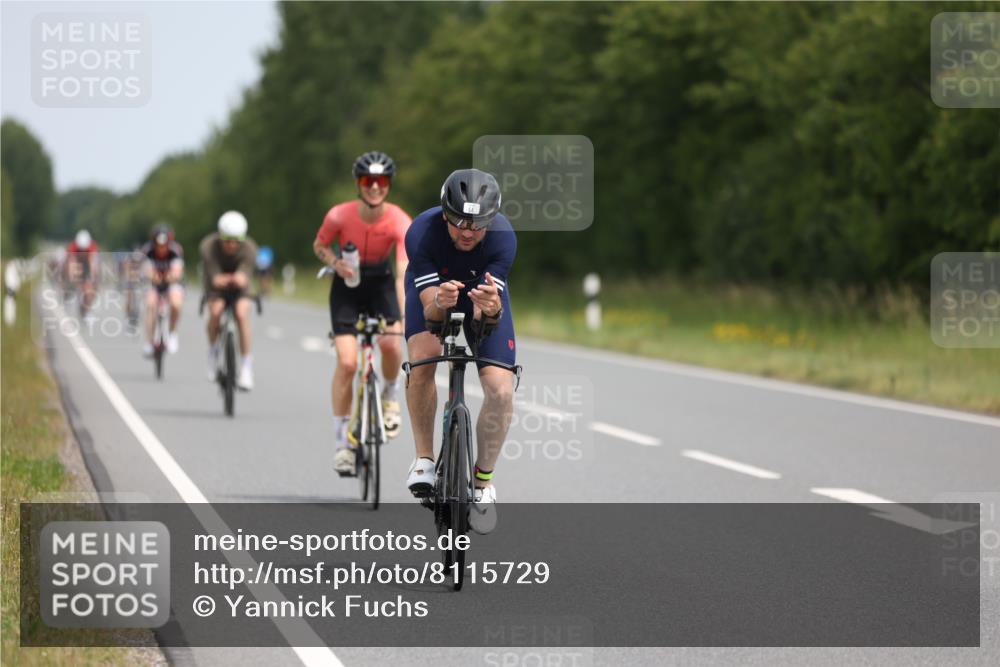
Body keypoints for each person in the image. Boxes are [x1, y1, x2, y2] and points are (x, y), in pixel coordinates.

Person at [402, 169, 516, 534]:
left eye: (477, 224)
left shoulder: (503, 238)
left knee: (500, 389)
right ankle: (423, 459)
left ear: (491, 220)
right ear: (444, 213)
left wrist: (491, 308)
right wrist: (440, 301)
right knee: (422, 360)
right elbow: (429, 310)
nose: (467, 231)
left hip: (483, 299)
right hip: (434, 294)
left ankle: (483, 483)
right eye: (457, 222)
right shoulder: (421, 233)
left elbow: (489, 317)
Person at [314, 151, 411, 476]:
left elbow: (401, 272)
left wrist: (405, 316)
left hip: (381, 283)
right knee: (347, 362)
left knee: (392, 344)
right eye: (368, 181)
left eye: (381, 181)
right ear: (358, 183)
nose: (374, 187)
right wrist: (334, 262)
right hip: (347, 285)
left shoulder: (399, 220)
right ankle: (343, 444)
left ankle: (388, 394)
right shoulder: (339, 216)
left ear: (388, 185)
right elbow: (320, 245)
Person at [200, 211, 258, 390]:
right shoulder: (208, 246)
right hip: (215, 286)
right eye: (227, 241)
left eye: (236, 241)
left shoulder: (250, 248)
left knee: (241, 314)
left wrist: (237, 278)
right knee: (216, 312)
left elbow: (244, 277)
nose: (232, 245)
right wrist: (227, 278)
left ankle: (246, 366)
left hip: (240, 287)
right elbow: (215, 279)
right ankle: (213, 351)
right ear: (220, 237)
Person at [140, 224, 185, 356]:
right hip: (154, 283)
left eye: (164, 245)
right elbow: (147, 270)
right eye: (158, 245)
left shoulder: (175, 250)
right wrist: (153, 276)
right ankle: (149, 341)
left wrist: (170, 277)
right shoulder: (147, 250)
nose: (161, 248)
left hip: (171, 283)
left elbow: (177, 271)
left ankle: (172, 333)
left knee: (176, 303)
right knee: (150, 304)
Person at [65, 230, 100, 314]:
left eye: (85, 250)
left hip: (87, 263)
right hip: (77, 262)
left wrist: (93, 277)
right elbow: (71, 262)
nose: (83, 251)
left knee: (91, 287)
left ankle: (87, 305)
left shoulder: (92, 246)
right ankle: (69, 290)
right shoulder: (72, 246)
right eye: (80, 249)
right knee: (73, 274)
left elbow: (93, 263)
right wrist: (72, 276)